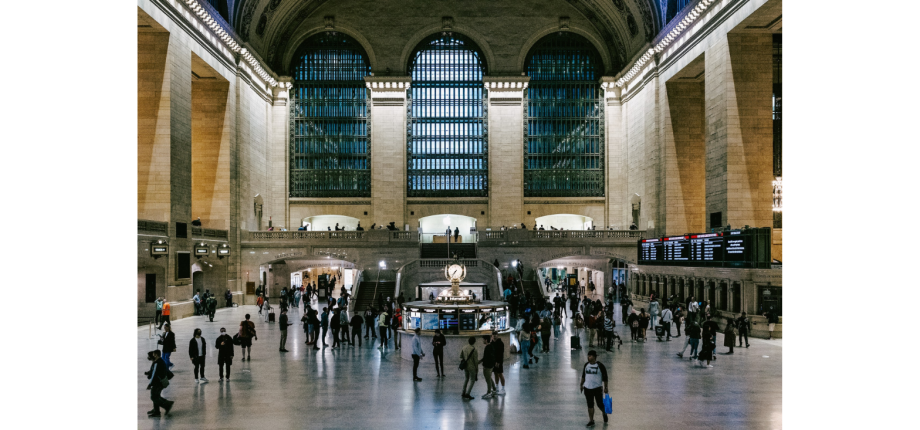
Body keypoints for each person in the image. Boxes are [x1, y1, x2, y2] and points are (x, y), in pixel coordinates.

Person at [579, 350, 609, 427]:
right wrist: (581, 385)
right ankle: (591, 420)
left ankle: (604, 412)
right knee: (590, 405)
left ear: (594, 357)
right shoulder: (586, 365)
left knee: (599, 404)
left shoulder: (600, 366)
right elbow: (583, 376)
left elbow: (605, 377)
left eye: (590, 356)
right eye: (588, 356)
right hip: (587, 388)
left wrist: (606, 387)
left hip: (597, 388)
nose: (588, 357)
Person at [144, 350, 174, 417]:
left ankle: (167, 405)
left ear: (156, 355)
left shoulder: (157, 363)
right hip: (159, 382)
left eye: (154, 354)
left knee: (153, 397)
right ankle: (156, 410)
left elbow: (154, 374)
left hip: (157, 383)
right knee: (156, 396)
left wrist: (150, 384)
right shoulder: (159, 361)